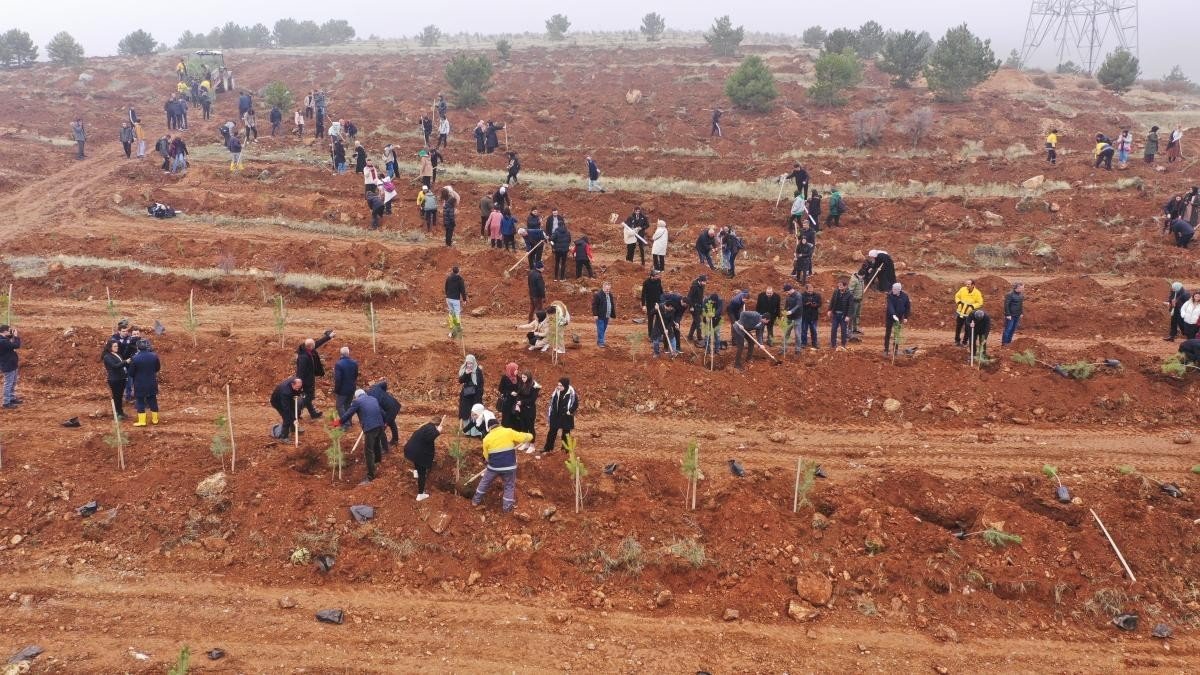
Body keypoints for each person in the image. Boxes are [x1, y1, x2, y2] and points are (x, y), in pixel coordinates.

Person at [473, 419, 532, 512]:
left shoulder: (486, 439)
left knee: (484, 482)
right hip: (509, 467)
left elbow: (486, 457)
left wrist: (491, 462)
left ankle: (475, 501)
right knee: (509, 485)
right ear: (499, 424)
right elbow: (523, 437)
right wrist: (530, 435)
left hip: (493, 467)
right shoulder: (508, 432)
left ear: (489, 428)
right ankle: (507, 508)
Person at [334, 389, 386, 485]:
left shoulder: (357, 401)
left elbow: (349, 413)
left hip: (370, 428)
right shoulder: (373, 398)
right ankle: (378, 461)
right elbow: (381, 411)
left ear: (356, 396)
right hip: (380, 425)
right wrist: (384, 422)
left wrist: (339, 422)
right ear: (364, 393)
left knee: (369, 451)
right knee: (377, 443)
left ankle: (370, 476)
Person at [296, 330, 335, 419]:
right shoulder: (303, 357)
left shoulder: (306, 349)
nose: (315, 347)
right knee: (308, 397)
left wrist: (328, 337)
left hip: (309, 379)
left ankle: (312, 413)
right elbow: (300, 372)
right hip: (306, 381)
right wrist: (299, 383)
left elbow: (317, 343)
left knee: (307, 396)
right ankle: (295, 412)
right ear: (310, 347)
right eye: (313, 346)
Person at [402, 418, 442, 501]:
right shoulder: (432, 429)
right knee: (422, 474)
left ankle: (416, 472)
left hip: (411, 450)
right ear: (437, 425)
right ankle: (420, 494)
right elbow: (429, 438)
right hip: (418, 453)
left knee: (417, 461)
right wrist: (438, 432)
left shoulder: (426, 426)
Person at [129, 338, 160, 426]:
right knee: (153, 400)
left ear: (137, 347)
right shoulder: (154, 356)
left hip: (139, 383)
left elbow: (131, 373)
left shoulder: (135, 358)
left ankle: (142, 421)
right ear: (147, 346)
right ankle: (155, 420)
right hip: (152, 382)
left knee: (140, 401)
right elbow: (157, 368)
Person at [543, 378, 578, 453]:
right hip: (556, 415)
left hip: (566, 415)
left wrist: (570, 411)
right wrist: (552, 412)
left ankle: (565, 449)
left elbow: (575, 404)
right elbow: (553, 402)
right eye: (558, 385)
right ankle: (548, 448)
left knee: (566, 433)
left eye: (561, 385)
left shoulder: (572, 393)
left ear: (565, 385)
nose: (559, 387)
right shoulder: (556, 392)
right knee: (552, 432)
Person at [366, 378, 402, 445]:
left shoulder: (372, 399)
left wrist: (385, 421)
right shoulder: (375, 387)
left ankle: (382, 445)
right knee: (392, 422)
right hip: (395, 404)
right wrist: (384, 392)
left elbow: (380, 410)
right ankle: (395, 440)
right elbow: (384, 383)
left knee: (382, 427)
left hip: (390, 410)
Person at [101, 340, 128, 419]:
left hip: (122, 378)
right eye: (115, 346)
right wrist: (125, 362)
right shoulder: (107, 357)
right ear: (110, 347)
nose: (117, 347)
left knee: (120, 396)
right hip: (115, 379)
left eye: (117, 346)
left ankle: (120, 412)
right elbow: (114, 366)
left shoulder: (118, 354)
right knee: (116, 397)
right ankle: (117, 413)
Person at [458, 354, 485, 430]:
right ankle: (467, 430)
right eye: (468, 363)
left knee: (475, 411)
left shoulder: (477, 371)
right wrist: (466, 374)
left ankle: (475, 431)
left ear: (474, 362)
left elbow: (481, 383)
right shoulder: (464, 369)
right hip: (466, 395)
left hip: (475, 395)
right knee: (466, 412)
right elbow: (460, 381)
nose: (469, 365)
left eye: (471, 363)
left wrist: (479, 395)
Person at [953, 280, 984, 347]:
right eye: (966, 284)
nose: (967, 285)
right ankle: (957, 341)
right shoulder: (962, 289)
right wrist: (958, 302)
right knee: (958, 327)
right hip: (960, 312)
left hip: (969, 314)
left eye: (968, 284)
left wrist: (972, 306)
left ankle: (964, 342)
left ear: (973, 285)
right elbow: (957, 296)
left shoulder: (977, 293)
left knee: (967, 329)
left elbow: (980, 302)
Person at [884, 283, 911, 355]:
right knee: (888, 333)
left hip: (899, 318)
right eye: (892, 289)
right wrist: (893, 315)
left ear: (899, 290)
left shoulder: (905, 296)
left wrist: (906, 317)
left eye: (894, 289)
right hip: (890, 317)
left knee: (897, 334)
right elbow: (890, 306)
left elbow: (908, 307)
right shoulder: (890, 296)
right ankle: (886, 350)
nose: (893, 290)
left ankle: (895, 350)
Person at [332, 346, 358, 420]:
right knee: (348, 405)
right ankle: (349, 421)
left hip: (342, 390)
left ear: (341, 354)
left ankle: (346, 422)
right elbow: (356, 375)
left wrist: (336, 390)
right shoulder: (354, 363)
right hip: (352, 388)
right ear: (348, 353)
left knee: (339, 406)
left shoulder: (338, 364)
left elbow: (338, 379)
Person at [514, 370, 540, 437]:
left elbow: (532, 399)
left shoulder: (534, 386)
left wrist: (522, 402)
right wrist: (518, 403)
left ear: (528, 377)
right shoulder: (522, 383)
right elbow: (519, 394)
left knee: (530, 427)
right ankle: (525, 440)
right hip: (522, 408)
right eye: (522, 377)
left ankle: (532, 441)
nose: (522, 379)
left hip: (530, 409)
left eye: (524, 377)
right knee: (523, 426)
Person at [828, 278, 852, 350]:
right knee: (833, 329)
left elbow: (851, 306)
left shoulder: (849, 295)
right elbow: (832, 301)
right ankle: (833, 344)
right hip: (835, 314)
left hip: (843, 315)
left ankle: (843, 345)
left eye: (841, 286)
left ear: (845, 286)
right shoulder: (836, 292)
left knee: (843, 330)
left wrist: (848, 316)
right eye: (839, 285)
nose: (839, 287)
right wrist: (829, 310)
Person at [0, 325, 21, 409]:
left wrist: (12, 336)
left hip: (12, 364)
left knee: (13, 382)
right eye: (9, 331)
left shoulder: (4, 339)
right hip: (8, 365)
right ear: (5, 331)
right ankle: (6, 402)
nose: (10, 332)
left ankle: (11, 398)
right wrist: (15, 336)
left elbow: (10, 341)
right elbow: (16, 345)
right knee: (8, 383)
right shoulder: (2, 341)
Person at [592, 281, 617, 348]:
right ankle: (601, 342)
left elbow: (612, 305)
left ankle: (600, 341)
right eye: (606, 289)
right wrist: (595, 314)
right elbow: (594, 305)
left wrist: (612, 315)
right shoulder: (598, 295)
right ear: (603, 288)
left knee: (603, 329)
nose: (608, 290)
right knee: (601, 329)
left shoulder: (610, 295)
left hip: (607, 315)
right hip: (600, 316)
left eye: (609, 289)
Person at [641, 268, 664, 336]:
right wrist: (643, 305)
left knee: (659, 319)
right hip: (650, 304)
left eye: (658, 275)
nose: (658, 277)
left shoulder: (658, 281)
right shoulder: (646, 283)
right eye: (656, 276)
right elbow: (643, 294)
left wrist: (663, 300)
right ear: (652, 276)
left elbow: (661, 291)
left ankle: (658, 334)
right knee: (650, 320)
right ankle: (650, 335)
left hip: (658, 303)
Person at [799, 283, 822, 350]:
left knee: (814, 331)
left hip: (813, 316)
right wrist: (806, 304)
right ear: (806, 290)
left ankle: (814, 343)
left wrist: (815, 305)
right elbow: (800, 304)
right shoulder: (802, 295)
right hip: (805, 316)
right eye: (809, 291)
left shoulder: (817, 295)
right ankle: (803, 343)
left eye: (811, 290)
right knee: (804, 330)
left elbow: (820, 304)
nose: (810, 292)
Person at [686, 275, 708, 343]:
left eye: (705, 282)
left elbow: (700, 297)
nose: (705, 283)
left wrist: (702, 306)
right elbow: (689, 297)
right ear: (700, 281)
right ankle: (699, 338)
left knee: (695, 322)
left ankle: (690, 336)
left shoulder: (702, 286)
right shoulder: (694, 286)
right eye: (704, 282)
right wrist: (691, 306)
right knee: (699, 323)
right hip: (694, 307)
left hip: (699, 307)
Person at [549, 216, 572, 281]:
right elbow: (569, 240)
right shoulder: (567, 232)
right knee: (563, 264)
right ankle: (562, 278)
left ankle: (556, 278)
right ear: (564, 225)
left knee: (557, 263)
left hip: (558, 250)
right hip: (565, 250)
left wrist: (553, 245)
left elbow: (551, 239)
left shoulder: (556, 232)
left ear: (558, 225)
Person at [498, 362, 520, 427]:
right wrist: (510, 392)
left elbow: (520, 388)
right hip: (507, 402)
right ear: (511, 369)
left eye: (517, 369)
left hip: (515, 402)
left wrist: (517, 393)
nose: (517, 371)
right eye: (516, 369)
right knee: (506, 419)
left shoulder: (518, 378)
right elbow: (501, 389)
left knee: (514, 418)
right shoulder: (505, 378)